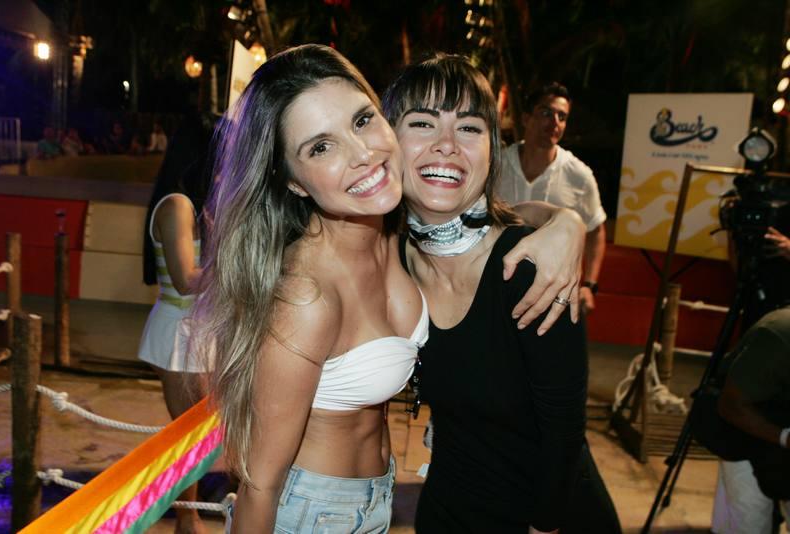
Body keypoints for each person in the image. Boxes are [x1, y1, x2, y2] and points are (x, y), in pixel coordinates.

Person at [193, 44, 585, 534]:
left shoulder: (395, 238)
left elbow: (474, 220)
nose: (362, 154)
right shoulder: (306, 295)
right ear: (293, 181)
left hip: (380, 502)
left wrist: (565, 222)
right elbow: (260, 486)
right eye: (320, 147)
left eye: (361, 121)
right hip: (311, 513)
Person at [383, 54, 621, 533]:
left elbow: (563, 432)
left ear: (492, 150)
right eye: (423, 123)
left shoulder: (532, 266)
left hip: (546, 514)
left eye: (469, 128)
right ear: (388, 141)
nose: (447, 144)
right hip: (450, 504)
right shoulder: (390, 261)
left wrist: (544, 525)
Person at [138, 113, 215, 534]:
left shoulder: (196, 206)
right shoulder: (176, 205)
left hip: (197, 327)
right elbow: (186, 279)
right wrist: (238, 263)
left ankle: (190, 517)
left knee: (197, 434)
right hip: (179, 332)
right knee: (189, 438)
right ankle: (188, 519)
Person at [497, 82, 606, 315]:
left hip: (554, 297)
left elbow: (596, 230)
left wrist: (589, 286)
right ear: (526, 118)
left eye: (562, 116)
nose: (555, 122)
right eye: (546, 113)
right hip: (496, 287)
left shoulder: (579, 176)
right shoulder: (495, 166)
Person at [707, 306, 790, 534]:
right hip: (743, 431)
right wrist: (785, 437)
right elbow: (731, 405)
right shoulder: (778, 335)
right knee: (749, 523)